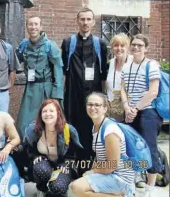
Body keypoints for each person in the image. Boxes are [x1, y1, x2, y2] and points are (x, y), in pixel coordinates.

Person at [61, 8, 108, 175]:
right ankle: (72, 163)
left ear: (93, 22)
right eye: (82, 19)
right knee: (72, 125)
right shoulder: (68, 43)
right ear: (77, 21)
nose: (85, 22)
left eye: (89, 19)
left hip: (93, 93)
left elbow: (103, 74)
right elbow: (64, 71)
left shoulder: (100, 44)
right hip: (73, 94)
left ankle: (88, 164)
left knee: (91, 127)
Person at [69, 92, 135, 197]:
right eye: (90, 104)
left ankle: (123, 194)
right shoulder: (96, 126)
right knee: (84, 176)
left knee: (76, 187)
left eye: (97, 105)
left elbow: (112, 165)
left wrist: (93, 171)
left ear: (105, 108)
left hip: (120, 177)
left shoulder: (110, 130)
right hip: (110, 173)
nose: (92, 108)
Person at [120, 34, 162, 197]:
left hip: (148, 111)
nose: (136, 47)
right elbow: (123, 88)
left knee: (149, 148)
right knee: (129, 148)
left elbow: (153, 92)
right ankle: (132, 180)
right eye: (134, 45)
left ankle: (150, 187)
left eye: (140, 45)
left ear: (146, 48)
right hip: (130, 110)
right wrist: (126, 106)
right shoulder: (127, 65)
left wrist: (135, 108)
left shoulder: (151, 65)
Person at [21, 99, 82, 197]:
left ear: (58, 113)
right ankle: (43, 189)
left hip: (62, 165)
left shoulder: (67, 130)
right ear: (40, 114)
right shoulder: (33, 130)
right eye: (44, 111)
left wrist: (66, 164)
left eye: (51, 111)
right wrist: (35, 156)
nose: (47, 114)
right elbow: (28, 149)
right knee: (41, 169)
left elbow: (73, 153)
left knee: (58, 187)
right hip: (44, 165)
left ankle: (59, 189)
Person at [16, 16, 63, 138]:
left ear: (41, 26)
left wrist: (57, 94)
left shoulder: (50, 46)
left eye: (36, 24)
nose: (33, 27)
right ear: (27, 27)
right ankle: (26, 148)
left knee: (48, 121)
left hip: (46, 88)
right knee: (23, 122)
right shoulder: (24, 45)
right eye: (30, 24)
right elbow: (15, 59)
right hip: (30, 88)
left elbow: (58, 69)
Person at [106, 33, 133, 122]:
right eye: (116, 45)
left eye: (122, 45)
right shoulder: (110, 63)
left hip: (129, 108)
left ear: (127, 47)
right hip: (112, 107)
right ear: (112, 48)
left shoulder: (133, 61)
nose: (119, 48)